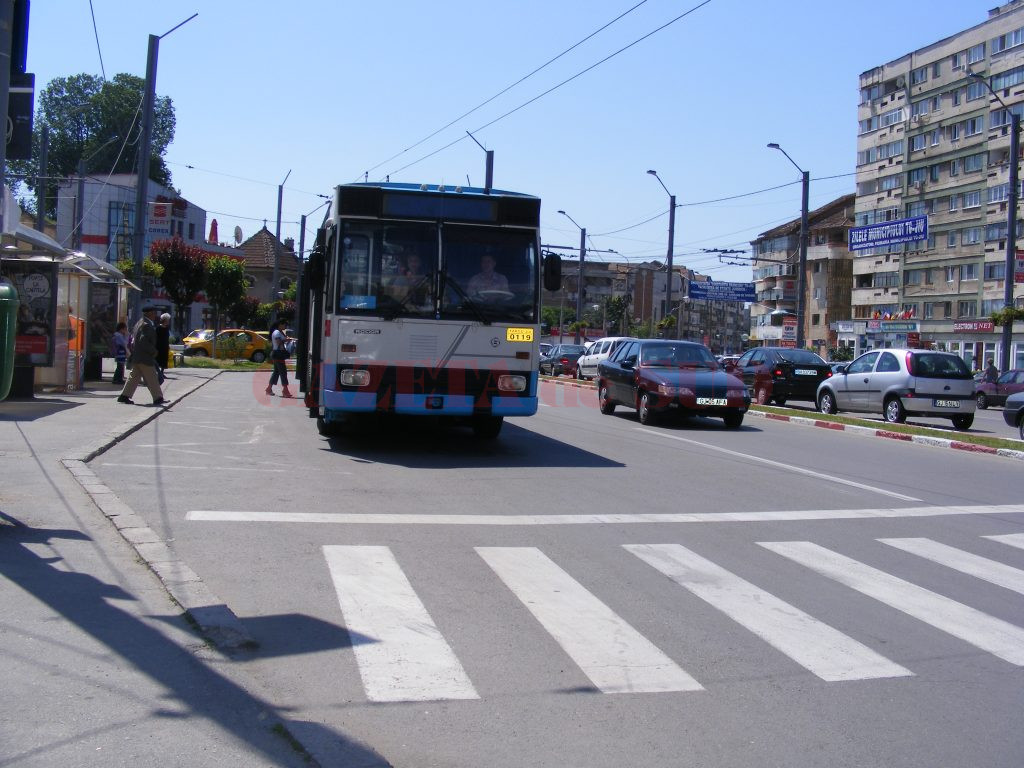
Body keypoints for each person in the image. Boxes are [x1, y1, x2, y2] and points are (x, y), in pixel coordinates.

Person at [117, 302, 166, 406]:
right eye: (154, 313)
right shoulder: (146, 325)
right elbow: (143, 340)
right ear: (149, 313)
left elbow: (133, 340)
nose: (155, 315)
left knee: (134, 377)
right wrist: (153, 351)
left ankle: (124, 396)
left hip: (137, 356)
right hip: (144, 357)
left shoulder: (139, 323)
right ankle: (158, 398)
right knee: (152, 377)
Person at [265, 317, 292, 398]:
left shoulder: (279, 332)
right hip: (278, 354)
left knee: (276, 372)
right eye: (284, 325)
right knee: (283, 372)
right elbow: (278, 342)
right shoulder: (277, 332)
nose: (285, 327)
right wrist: (286, 340)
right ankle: (285, 390)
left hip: (277, 354)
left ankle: (269, 389)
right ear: (280, 325)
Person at [155, 312, 171, 384]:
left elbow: (167, 337)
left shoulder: (167, 328)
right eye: (167, 320)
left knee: (164, 360)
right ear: (164, 320)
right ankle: (158, 373)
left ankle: (162, 372)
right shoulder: (158, 328)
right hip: (159, 346)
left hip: (165, 346)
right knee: (158, 359)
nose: (168, 321)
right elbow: (156, 337)